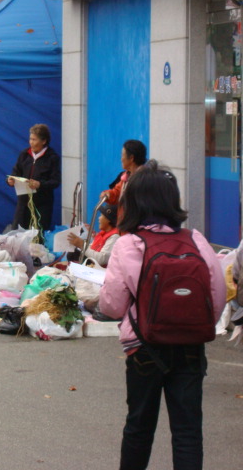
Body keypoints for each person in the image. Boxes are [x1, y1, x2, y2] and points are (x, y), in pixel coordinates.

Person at [99, 161, 225, 470]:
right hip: (191, 347)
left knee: (139, 428)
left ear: (135, 201)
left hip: (145, 349)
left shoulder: (129, 244)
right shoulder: (196, 240)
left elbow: (111, 306)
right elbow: (217, 297)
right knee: (187, 432)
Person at [7, 123, 61, 232]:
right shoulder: (24, 154)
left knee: (38, 236)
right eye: (30, 139)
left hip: (42, 205)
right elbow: (15, 172)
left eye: (34, 139)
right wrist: (10, 180)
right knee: (17, 233)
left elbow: (55, 181)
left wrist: (40, 184)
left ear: (44, 141)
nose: (31, 142)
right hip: (23, 204)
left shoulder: (52, 158)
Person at [66, 202, 119, 267]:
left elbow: (102, 259)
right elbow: (91, 247)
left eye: (101, 215)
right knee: (72, 254)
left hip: (102, 270)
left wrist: (82, 245)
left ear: (108, 219)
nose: (99, 218)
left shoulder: (114, 237)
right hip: (93, 265)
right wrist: (78, 244)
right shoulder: (102, 234)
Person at [101, 139, 147, 205]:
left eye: (122, 155)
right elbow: (117, 193)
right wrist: (109, 194)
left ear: (131, 158)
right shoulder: (126, 177)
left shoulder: (145, 180)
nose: (121, 159)